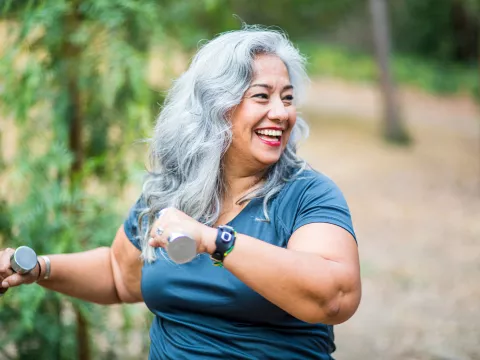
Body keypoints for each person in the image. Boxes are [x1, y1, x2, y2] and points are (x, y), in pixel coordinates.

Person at [0, 26, 361, 359]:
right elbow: (118, 275)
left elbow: (334, 296)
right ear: (216, 107)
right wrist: (39, 267)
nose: (281, 113)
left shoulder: (308, 195)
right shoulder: (171, 191)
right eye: (262, 97)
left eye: (287, 98)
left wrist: (215, 241)